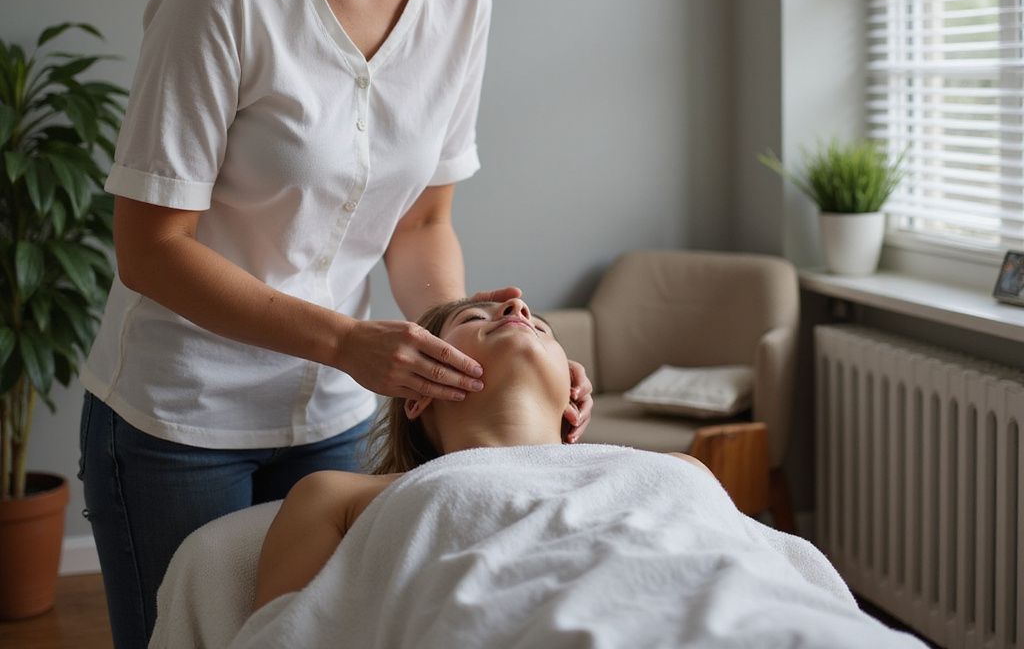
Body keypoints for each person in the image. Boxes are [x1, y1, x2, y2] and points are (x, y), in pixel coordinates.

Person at [78, 0, 592, 649]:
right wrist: (343, 340)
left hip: (337, 411)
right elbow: (150, 250)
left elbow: (421, 223)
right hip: (182, 419)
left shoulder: (461, 5)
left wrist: (476, 352)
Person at [230, 296, 926, 649]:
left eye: (538, 323)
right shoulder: (345, 494)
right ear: (417, 390)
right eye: (478, 316)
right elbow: (278, 636)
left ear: (572, 395)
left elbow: (776, 566)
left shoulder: (669, 468)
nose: (517, 309)